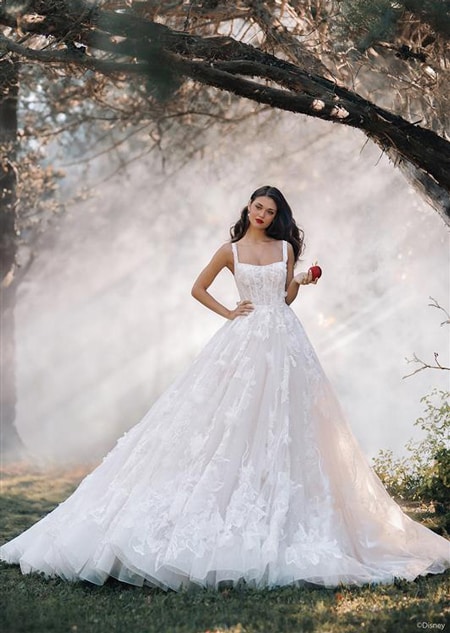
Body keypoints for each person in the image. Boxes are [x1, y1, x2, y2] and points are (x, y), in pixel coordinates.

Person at [1, 185, 449, 591]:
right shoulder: (229, 250)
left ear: (278, 216)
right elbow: (196, 288)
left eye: (271, 211)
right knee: (223, 422)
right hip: (243, 339)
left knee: (290, 426)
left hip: (286, 341)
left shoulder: (284, 248)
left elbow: (287, 298)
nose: (263, 215)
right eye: (258, 207)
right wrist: (229, 312)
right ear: (248, 207)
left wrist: (299, 282)